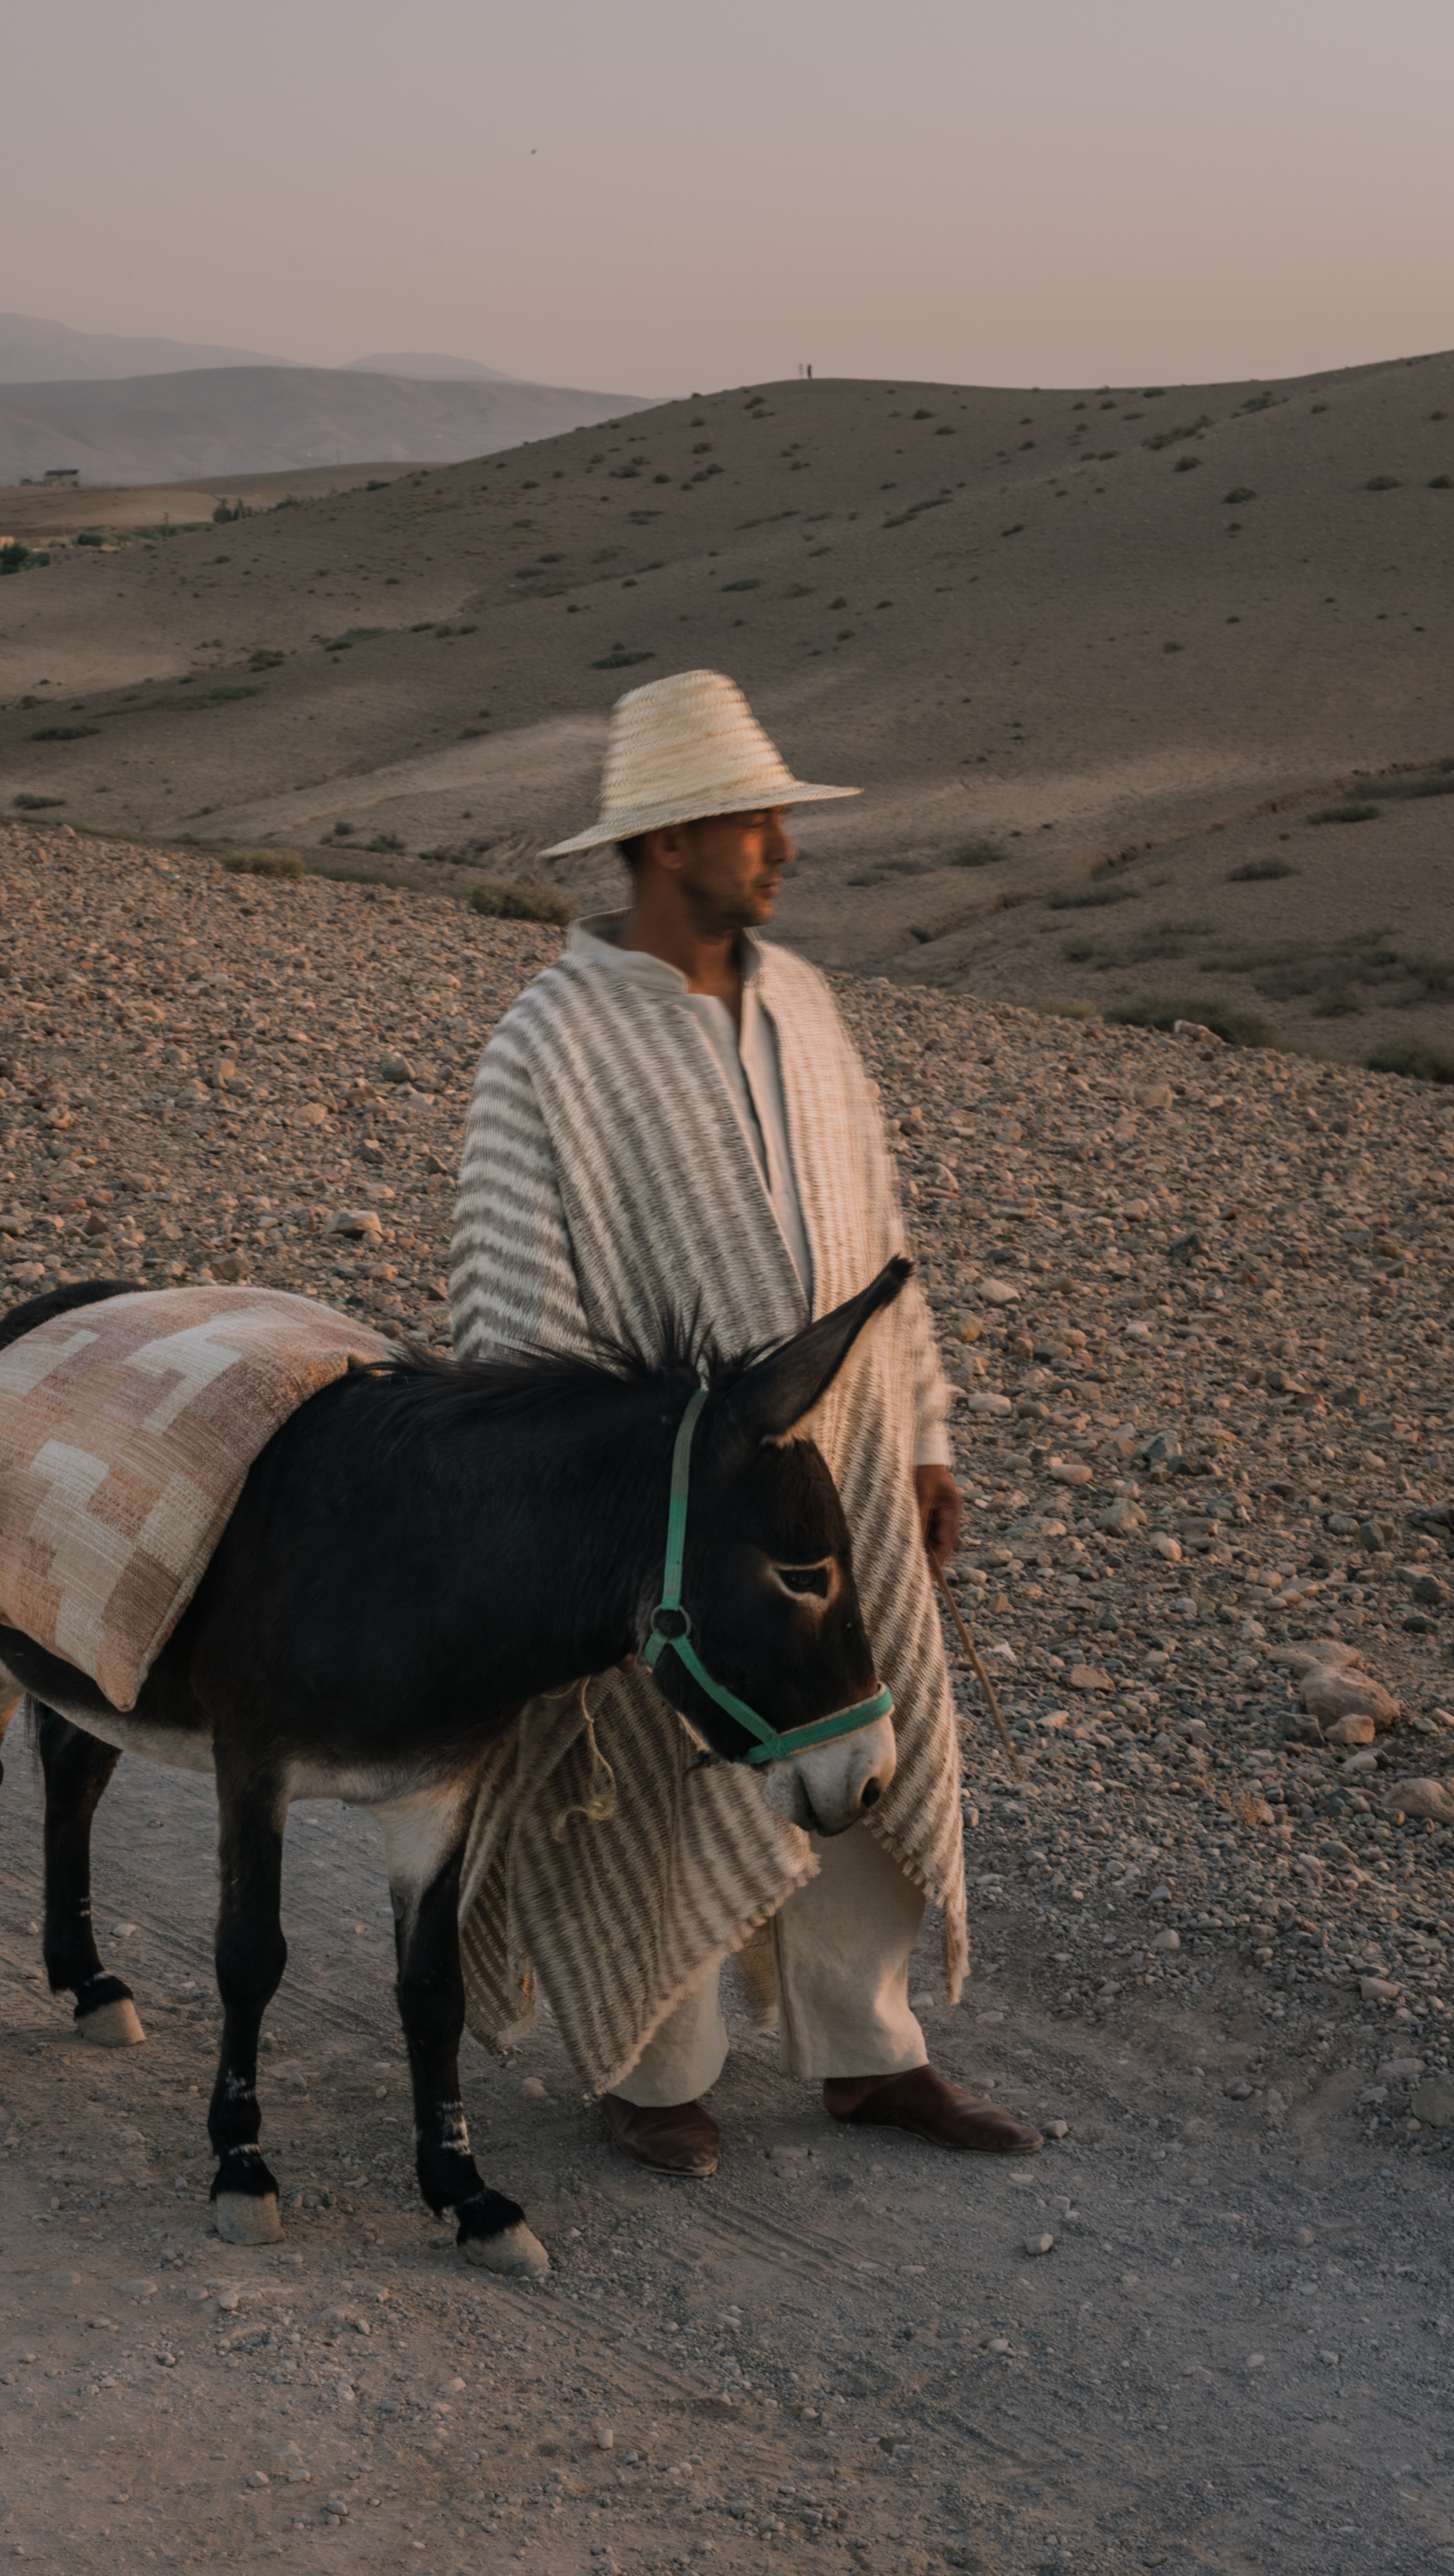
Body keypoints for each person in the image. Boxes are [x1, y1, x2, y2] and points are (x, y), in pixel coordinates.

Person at [450, 669, 1039, 2173]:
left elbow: (879, 1244)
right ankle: (658, 2068)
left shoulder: (811, 1007)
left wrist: (923, 1435)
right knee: (660, 1776)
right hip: (670, 1502)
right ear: (665, 843)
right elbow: (514, 1304)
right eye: (755, 821)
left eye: (779, 819)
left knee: (870, 1732)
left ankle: (865, 2050)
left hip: (839, 1469)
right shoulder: (551, 1043)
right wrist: (590, 1505)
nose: (783, 847)